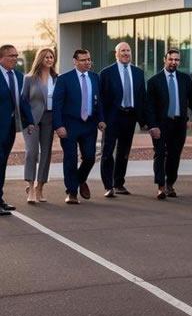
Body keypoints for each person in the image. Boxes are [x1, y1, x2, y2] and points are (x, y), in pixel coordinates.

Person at [53, 49, 105, 204]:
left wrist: (101, 119)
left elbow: (99, 101)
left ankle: (80, 179)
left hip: (89, 124)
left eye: (89, 59)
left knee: (90, 157)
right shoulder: (64, 79)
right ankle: (71, 191)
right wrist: (58, 126)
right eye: (83, 60)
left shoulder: (95, 78)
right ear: (75, 61)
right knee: (70, 158)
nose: (87, 62)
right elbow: (57, 104)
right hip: (69, 125)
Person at [146, 49, 192, 200]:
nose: (174, 62)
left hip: (179, 124)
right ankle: (161, 186)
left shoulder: (185, 79)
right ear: (165, 60)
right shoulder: (154, 81)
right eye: (171, 59)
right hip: (161, 125)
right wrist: (152, 126)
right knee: (160, 153)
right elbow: (148, 106)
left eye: (176, 60)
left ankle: (170, 184)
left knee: (175, 155)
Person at [98, 42, 146, 198]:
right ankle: (108, 185)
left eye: (128, 50)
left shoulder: (138, 72)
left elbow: (141, 97)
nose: (126, 53)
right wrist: (101, 119)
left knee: (124, 151)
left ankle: (118, 183)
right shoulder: (106, 73)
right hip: (112, 116)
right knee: (107, 151)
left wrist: (143, 120)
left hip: (129, 116)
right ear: (116, 54)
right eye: (122, 51)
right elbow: (101, 99)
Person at [1, 44, 35, 215]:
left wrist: (29, 121)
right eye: (11, 56)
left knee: (2, 164)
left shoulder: (19, 77)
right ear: (1, 58)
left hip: (9, 128)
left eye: (16, 55)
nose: (15, 58)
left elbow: (23, 101)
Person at [21, 48, 58, 204]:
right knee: (32, 151)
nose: (49, 59)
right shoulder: (29, 78)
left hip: (50, 119)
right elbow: (23, 101)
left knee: (46, 153)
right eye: (46, 57)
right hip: (32, 120)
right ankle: (30, 186)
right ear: (40, 59)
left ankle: (39, 188)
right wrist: (28, 121)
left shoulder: (57, 78)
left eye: (51, 57)